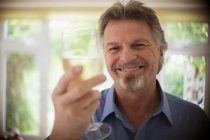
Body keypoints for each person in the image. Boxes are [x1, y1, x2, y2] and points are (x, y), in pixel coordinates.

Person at [48, 0, 210, 140]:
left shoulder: (194, 120)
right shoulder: (80, 116)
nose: (126, 58)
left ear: (160, 54)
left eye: (139, 45)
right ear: (103, 56)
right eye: (114, 48)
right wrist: (60, 136)